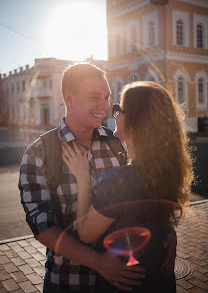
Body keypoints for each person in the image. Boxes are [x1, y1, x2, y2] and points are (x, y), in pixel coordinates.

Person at [19, 65, 176, 293]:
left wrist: (168, 231)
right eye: (95, 98)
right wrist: (99, 262)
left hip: (122, 282)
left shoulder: (117, 144)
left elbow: (145, 195)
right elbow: (43, 227)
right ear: (69, 99)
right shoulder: (40, 153)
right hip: (69, 282)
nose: (104, 106)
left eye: (106, 98)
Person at [62, 81, 194, 292]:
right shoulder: (166, 170)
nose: (114, 114)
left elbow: (86, 234)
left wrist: (83, 180)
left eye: (119, 109)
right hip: (160, 281)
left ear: (136, 120)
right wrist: (168, 233)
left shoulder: (119, 180)